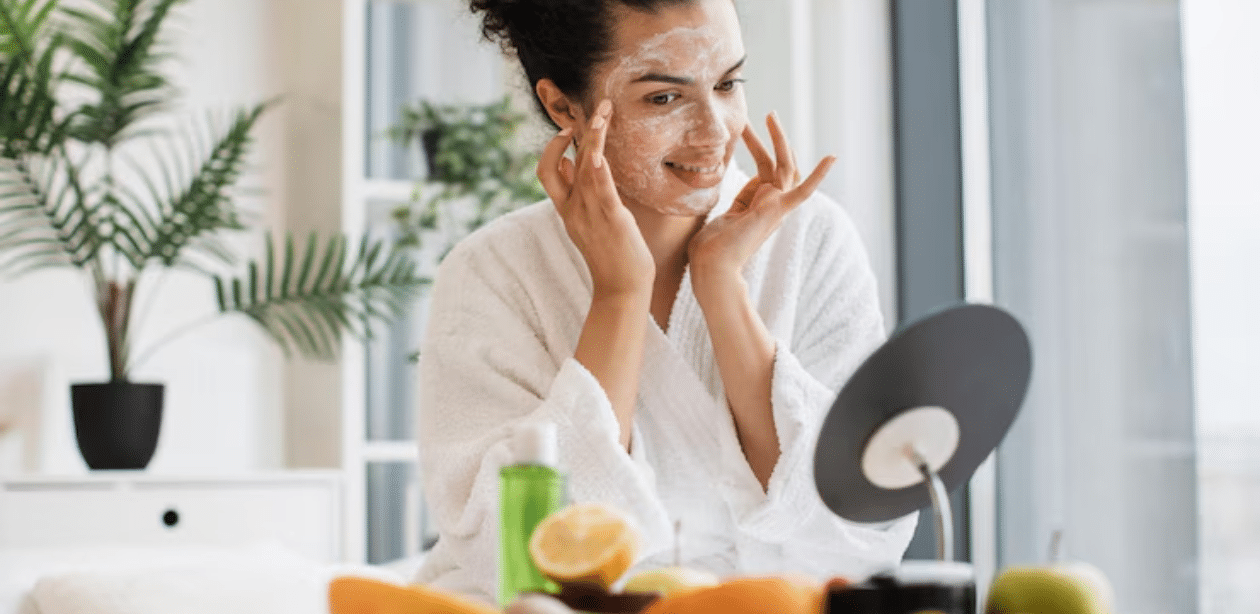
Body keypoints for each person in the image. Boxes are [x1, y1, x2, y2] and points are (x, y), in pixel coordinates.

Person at [414, 0, 917, 601]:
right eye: (663, 98)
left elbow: (856, 522)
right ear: (562, 106)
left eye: (728, 83)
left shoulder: (811, 242)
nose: (715, 131)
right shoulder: (492, 271)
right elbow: (503, 552)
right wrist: (619, 294)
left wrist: (722, 285)